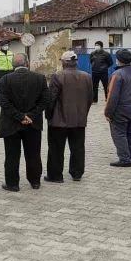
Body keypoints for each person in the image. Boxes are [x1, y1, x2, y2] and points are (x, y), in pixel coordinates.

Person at [0, 53, 51, 192]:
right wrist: (29, 116)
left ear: (12, 64)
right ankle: (35, 182)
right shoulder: (40, 78)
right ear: (27, 63)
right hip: (33, 123)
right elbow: (46, 100)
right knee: (33, 153)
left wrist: (20, 116)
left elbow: (4, 103)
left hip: (11, 124)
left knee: (11, 155)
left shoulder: (4, 80)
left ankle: (12, 184)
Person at [44, 51, 93, 183]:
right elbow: (90, 99)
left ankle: (55, 175)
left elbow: (51, 99)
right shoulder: (87, 77)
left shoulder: (57, 76)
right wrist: (83, 113)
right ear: (75, 62)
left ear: (64, 62)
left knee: (56, 149)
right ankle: (77, 173)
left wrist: (48, 116)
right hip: (78, 120)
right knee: (77, 148)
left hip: (58, 120)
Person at [105, 49, 131, 167]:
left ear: (118, 60)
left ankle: (124, 159)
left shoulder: (117, 75)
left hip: (120, 110)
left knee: (119, 134)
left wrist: (108, 113)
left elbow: (112, 96)